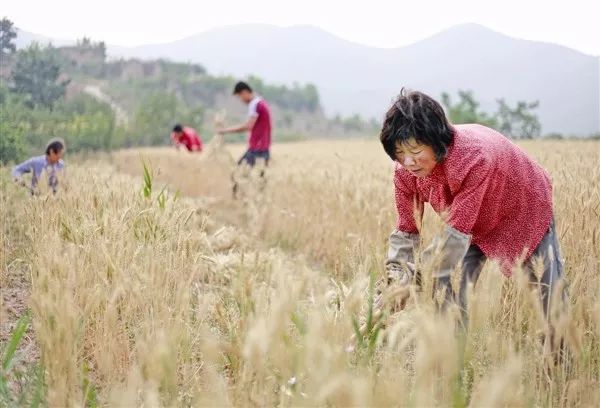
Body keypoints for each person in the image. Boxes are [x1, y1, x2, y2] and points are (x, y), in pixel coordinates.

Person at [379, 89, 565, 321]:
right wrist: (395, 278)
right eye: (399, 153)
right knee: (447, 286)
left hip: (523, 207)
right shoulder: (405, 172)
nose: (408, 162)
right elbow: (407, 228)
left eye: (416, 152)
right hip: (469, 221)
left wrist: (413, 280)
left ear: (437, 143)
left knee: (548, 297)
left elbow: (456, 232)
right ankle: (453, 349)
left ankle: (561, 355)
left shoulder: (472, 158)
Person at [218, 81, 272, 167]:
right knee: (257, 178)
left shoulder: (254, 104)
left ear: (244, 92)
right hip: (264, 148)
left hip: (257, 149)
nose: (241, 100)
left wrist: (225, 130)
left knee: (239, 174)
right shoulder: (261, 102)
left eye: (239, 96)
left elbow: (248, 126)